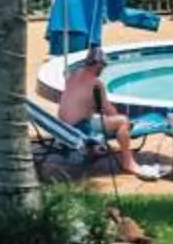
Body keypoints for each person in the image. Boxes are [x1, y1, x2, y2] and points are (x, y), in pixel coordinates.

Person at [54, 49, 156, 177]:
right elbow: (108, 110)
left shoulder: (74, 75)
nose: (103, 69)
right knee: (123, 121)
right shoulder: (96, 83)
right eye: (103, 66)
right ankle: (128, 162)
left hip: (63, 127)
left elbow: (83, 103)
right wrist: (122, 120)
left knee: (101, 118)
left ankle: (95, 151)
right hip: (79, 129)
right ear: (98, 65)